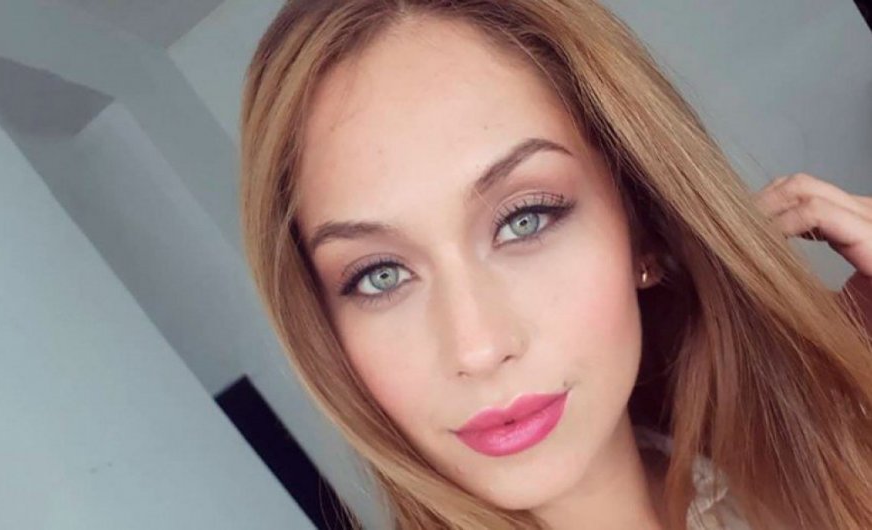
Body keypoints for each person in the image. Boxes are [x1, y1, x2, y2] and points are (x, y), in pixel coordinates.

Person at [238, 1, 872, 528]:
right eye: (380, 275)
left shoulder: (821, 464)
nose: (479, 347)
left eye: (526, 219)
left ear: (643, 226)